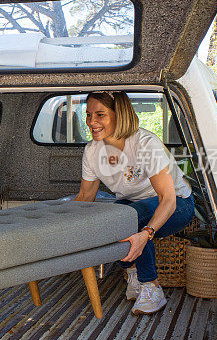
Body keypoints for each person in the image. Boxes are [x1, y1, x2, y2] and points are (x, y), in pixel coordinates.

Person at [74, 91, 194, 315]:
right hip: (132, 205)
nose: (91, 122)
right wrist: (60, 221)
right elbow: (85, 197)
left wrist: (147, 233)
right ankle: (133, 275)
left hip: (178, 204)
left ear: (120, 115)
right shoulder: (92, 151)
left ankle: (152, 287)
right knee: (118, 217)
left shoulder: (145, 144)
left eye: (100, 114)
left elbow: (167, 199)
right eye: (88, 114)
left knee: (131, 218)